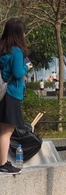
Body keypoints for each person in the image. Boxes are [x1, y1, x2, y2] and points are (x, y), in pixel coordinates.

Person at [0, 18, 32, 175]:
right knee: (7, 130)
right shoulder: (16, 51)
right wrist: (26, 67)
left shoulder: (2, 49)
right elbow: (18, 73)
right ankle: (3, 163)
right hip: (11, 93)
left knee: (3, 128)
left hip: (2, 93)